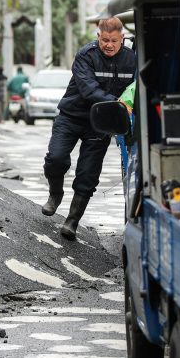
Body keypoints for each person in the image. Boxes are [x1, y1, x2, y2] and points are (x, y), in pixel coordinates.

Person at [41, 17, 136, 240]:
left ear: (122, 39)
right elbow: (88, 89)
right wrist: (118, 104)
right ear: (98, 37)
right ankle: (55, 194)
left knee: (88, 174)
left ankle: (72, 221)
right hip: (71, 117)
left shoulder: (131, 60)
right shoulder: (86, 55)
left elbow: (135, 89)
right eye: (104, 40)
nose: (109, 45)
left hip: (100, 124)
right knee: (56, 159)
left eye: (113, 40)